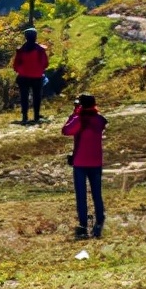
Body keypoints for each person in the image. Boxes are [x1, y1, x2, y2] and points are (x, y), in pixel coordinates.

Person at [62, 93, 107, 239]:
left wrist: (75, 113)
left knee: (81, 196)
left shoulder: (79, 119)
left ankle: (83, 225)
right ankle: (100, 221)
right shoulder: (99, 120)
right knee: (97, 194)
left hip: (80, 163)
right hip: (96, 162)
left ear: (80, 105)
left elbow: (66, 130)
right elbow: (101, 122)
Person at [12, 27, 49, 124]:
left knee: (24, 97)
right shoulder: (41, 50)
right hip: (37, 77)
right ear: (35, 37)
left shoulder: (21, 50)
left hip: (23, 77)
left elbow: (15, 65)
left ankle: (25, 117)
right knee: (37, 97)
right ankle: (36, 116)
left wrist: (20, 71)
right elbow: (45, 64)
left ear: (26, 37)